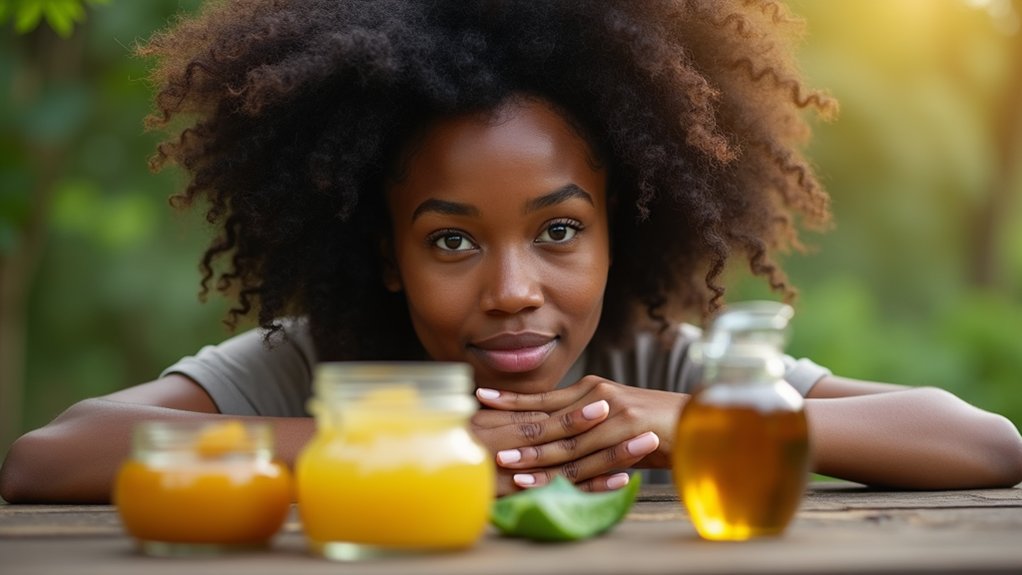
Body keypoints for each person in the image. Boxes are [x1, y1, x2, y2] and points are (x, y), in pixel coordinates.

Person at [2, 0, 1021, 504]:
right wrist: (383, 453)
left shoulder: (655, 364)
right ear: (387, 253)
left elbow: (980, 443)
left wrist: (685, 422)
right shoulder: (310, 369)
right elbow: (45, 460)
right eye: (451, 239)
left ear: (622, 226)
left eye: (558, 231)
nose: (512, 290)